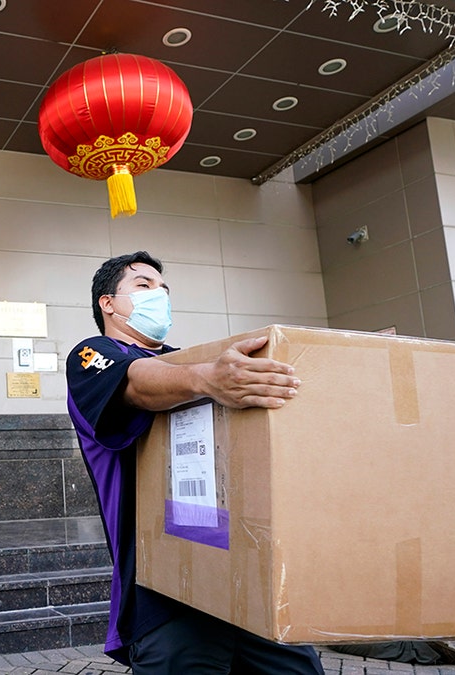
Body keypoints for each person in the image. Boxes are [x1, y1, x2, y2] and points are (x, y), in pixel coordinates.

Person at [65, 251, 323, 674]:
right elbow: (137, 384)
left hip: (242, 581)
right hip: (163, 590)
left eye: (164, 289)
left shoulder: (191, 360)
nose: (159, 296)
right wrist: (208, 380)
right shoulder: (92, 355)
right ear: (107, 303)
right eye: (144, 286)